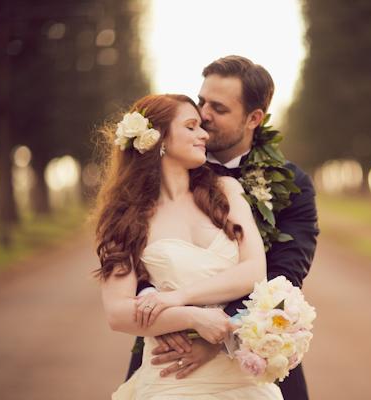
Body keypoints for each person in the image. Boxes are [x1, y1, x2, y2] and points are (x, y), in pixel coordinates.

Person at [126, 56, 320, 400]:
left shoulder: (293, 185)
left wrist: (218, 338)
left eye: (218, 107)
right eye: (201, 101)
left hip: (254, 357)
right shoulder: (159, 175)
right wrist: (150, 297)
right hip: (168, 354)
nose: (203, 114)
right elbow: (131, 246)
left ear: (253, 119)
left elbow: (283, 280)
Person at [94, 93, 283, 399]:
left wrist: (179, 298)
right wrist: (193, 317)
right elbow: (117, 312)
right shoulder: (123, 216)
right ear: (160, 140)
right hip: (173, 380)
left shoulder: (226, 190)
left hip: (242, 381)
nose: (204, 134)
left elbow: (254, 270)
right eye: (192, 126)